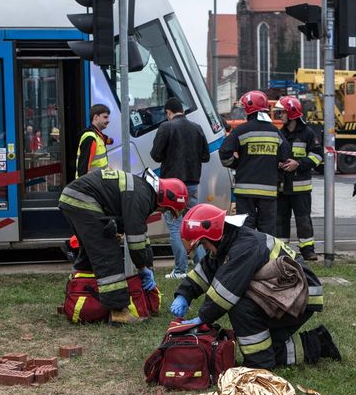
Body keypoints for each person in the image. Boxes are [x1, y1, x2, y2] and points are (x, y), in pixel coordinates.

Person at [169, 203, 341, 370]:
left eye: (204, 244)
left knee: (241, 306)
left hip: (298, 296)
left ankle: (258, 363)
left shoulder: (244, 246)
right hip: (287, 293)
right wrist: (185, 294)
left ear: (213, 235)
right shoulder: (229, 241)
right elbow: (206, 270)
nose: (206, 249)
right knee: (271, 347)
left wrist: (203, 317)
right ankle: (318, 343)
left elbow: (226, 293)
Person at [58, 168, 188, 324]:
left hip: (74, 199)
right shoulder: (142, 195)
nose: (162, 212)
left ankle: (77, 295)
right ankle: (119, 312)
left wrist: (148, 264)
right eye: (167, 209)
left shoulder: (143, 191)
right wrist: (142, 267)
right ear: (166, 198)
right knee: (108, 255)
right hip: (82, 200)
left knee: (90, 255)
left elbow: (140, 234)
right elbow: (135, 238)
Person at [150, 97, 210, 279]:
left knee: (175, 227)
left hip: (171, 188)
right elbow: (206, 156)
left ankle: (180, 270)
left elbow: (155, 155)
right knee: (194, 225)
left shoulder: (166, 127)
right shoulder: (197, 128)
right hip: (192, 184)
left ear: (168, 112)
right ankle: (202, 269)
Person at [219, 90, 288, 235]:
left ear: (250, 109)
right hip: (268, 190)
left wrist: (237, 164)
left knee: (245, 228)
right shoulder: (275, 132)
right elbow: (285, 156)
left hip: (245, 191)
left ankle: (248, 255)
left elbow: (224, 153)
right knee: (268, 229)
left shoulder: (241, 130)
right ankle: (267, 257)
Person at [274, 96, 322, 261]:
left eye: (282, 112)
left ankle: (308, 250)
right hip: (282, 186)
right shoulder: (280, 133)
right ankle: (282, 251)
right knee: (280, 220)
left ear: (292, 113)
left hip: (301, 187)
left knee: (303, 220)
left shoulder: (308, 133)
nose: (280, 115)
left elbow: (317, 156)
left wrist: (299, 164)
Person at [76, 104, 112, 177]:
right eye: (105, 117)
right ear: (95, 117)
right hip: (91, 186)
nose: (108, 120)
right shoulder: (90, 138)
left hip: (97, 183)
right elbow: (83, 170)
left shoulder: (97, 136)